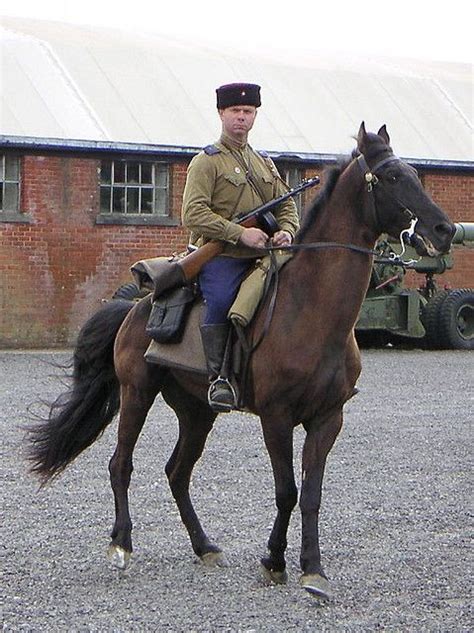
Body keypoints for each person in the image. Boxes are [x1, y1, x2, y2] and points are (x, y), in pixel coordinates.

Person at [182, 83, 300, 411]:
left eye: (248, 112)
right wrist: (238, 233)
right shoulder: (207, 162)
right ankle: (219, 377)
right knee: (220, 299)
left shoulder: (264, 163)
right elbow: (192, 214)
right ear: (221, 113)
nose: (242, 118)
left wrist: (286, 232)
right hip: (224, 256)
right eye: (235, 111)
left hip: (266, 256)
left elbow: (287, 207)